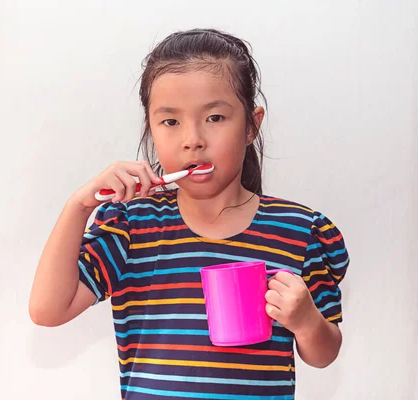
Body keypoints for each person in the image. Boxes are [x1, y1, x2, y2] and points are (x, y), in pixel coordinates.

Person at [29, 28, 349, 399]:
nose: (192, 139)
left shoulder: (299, 231)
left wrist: (307, 322)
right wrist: (79, 206)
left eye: (214, 118)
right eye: (170, 121)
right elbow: (47, 310)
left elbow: (324, 354)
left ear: (251, 124)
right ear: (150, 127)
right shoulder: (131, 226)